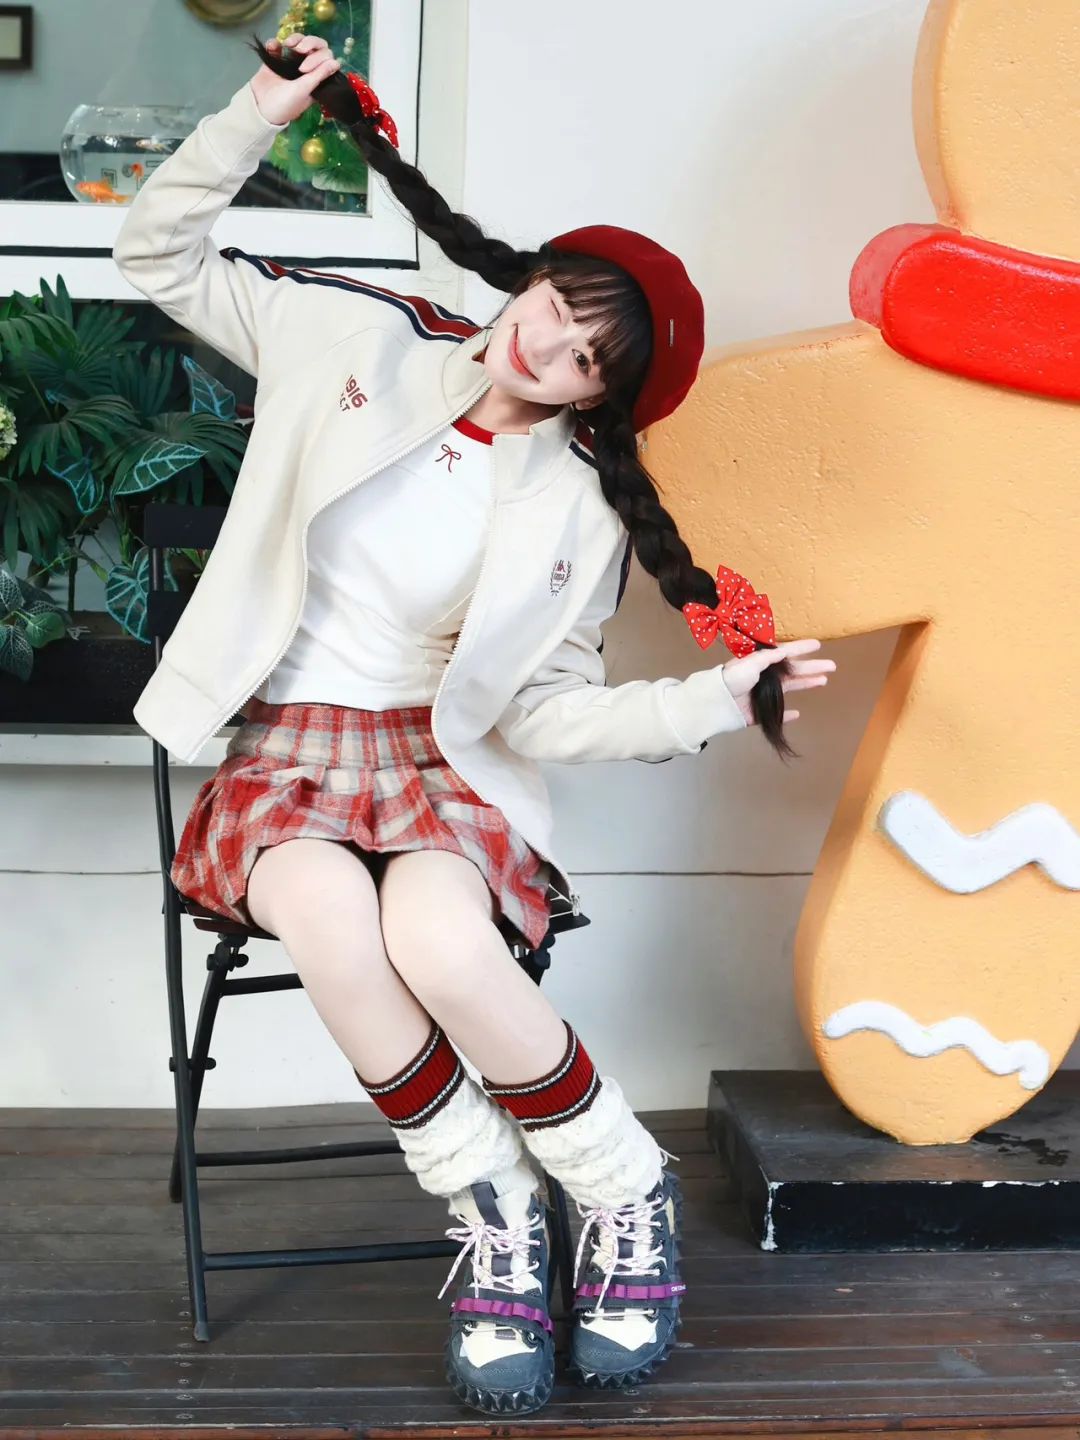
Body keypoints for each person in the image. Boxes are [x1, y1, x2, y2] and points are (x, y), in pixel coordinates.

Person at [113, 30, 835, 1418]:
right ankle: (493, 1204)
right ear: (535, 277)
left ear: (603, 399)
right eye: (558, 305)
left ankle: (621, 1191)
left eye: (585, 360)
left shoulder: (578, 507)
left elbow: (545, 715)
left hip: (440, 768)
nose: (545, 344)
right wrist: (263, 107)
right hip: (285, 752)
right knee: (330, 921)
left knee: (440, 940)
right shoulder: (357, 333)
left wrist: (716, 698)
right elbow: (157, 252)